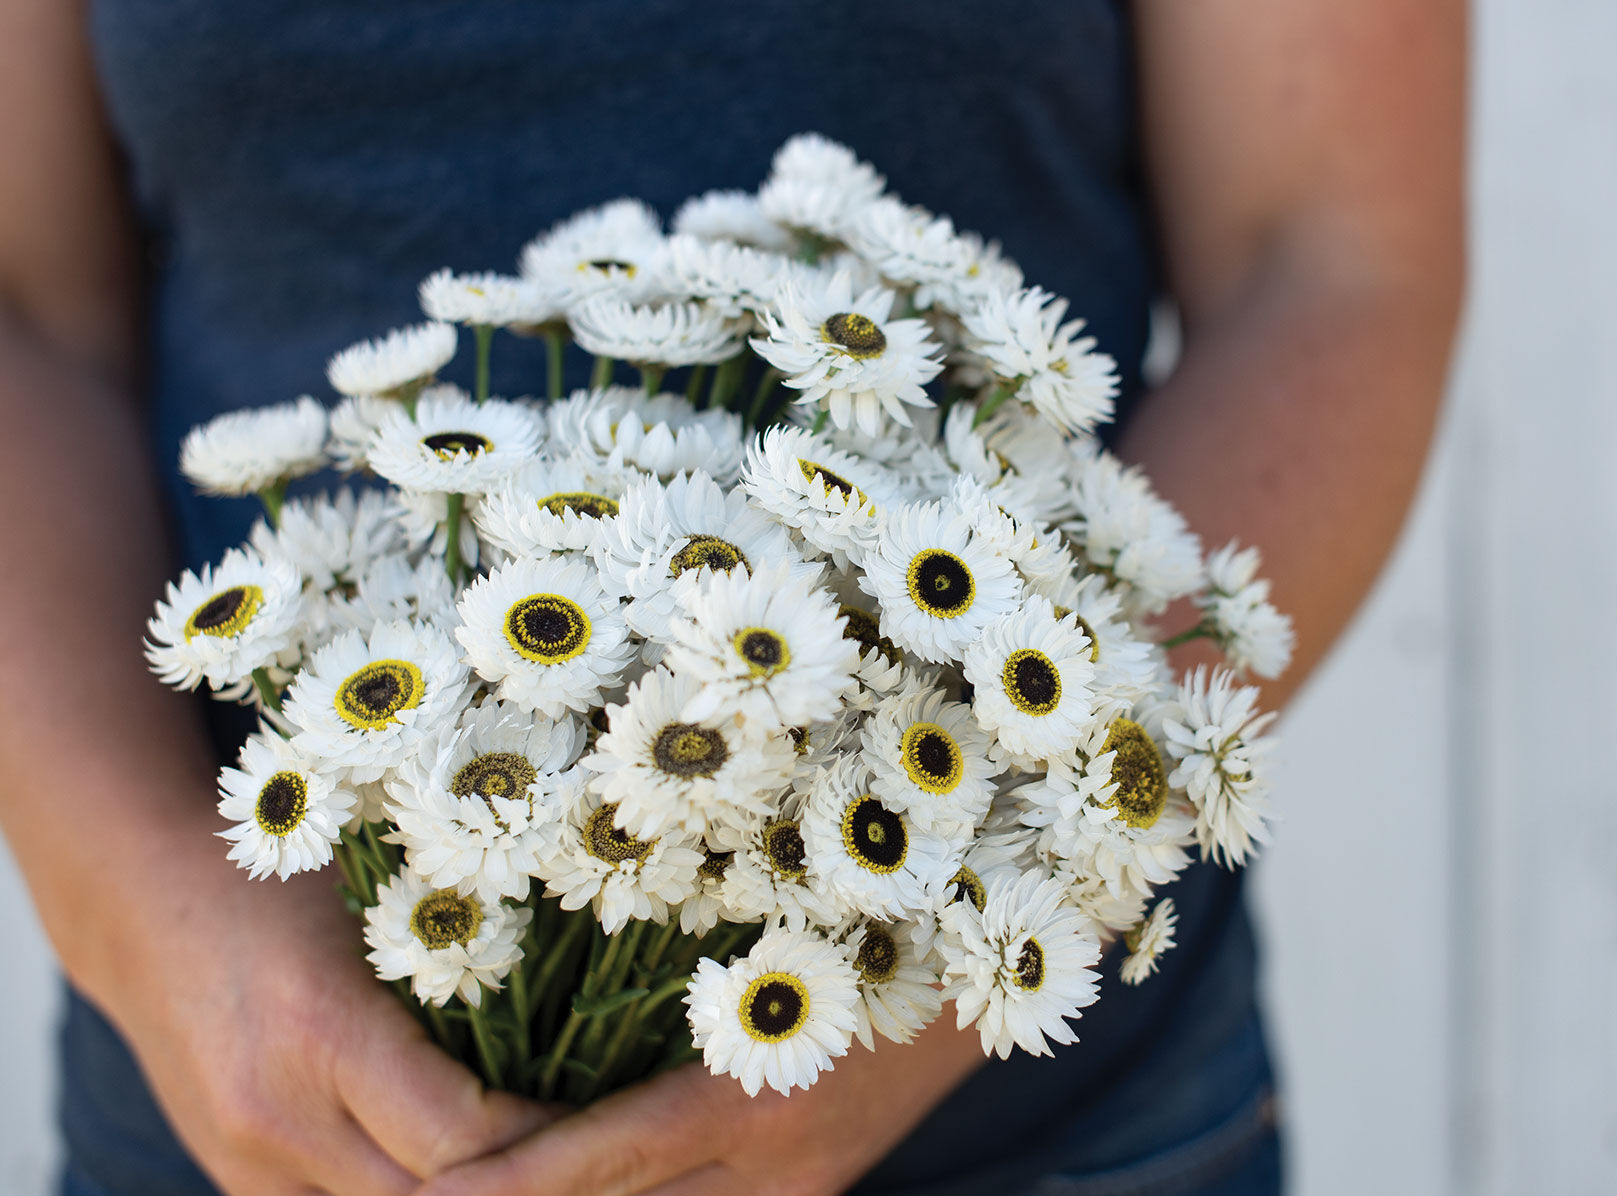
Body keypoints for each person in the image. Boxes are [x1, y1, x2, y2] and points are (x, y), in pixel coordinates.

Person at [0, 0, 1465, 1192]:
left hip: (1023, 1112)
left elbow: (1332, 264)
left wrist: (932, 965)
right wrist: (159, 925)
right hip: (244, 1096)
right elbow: (21, 309)